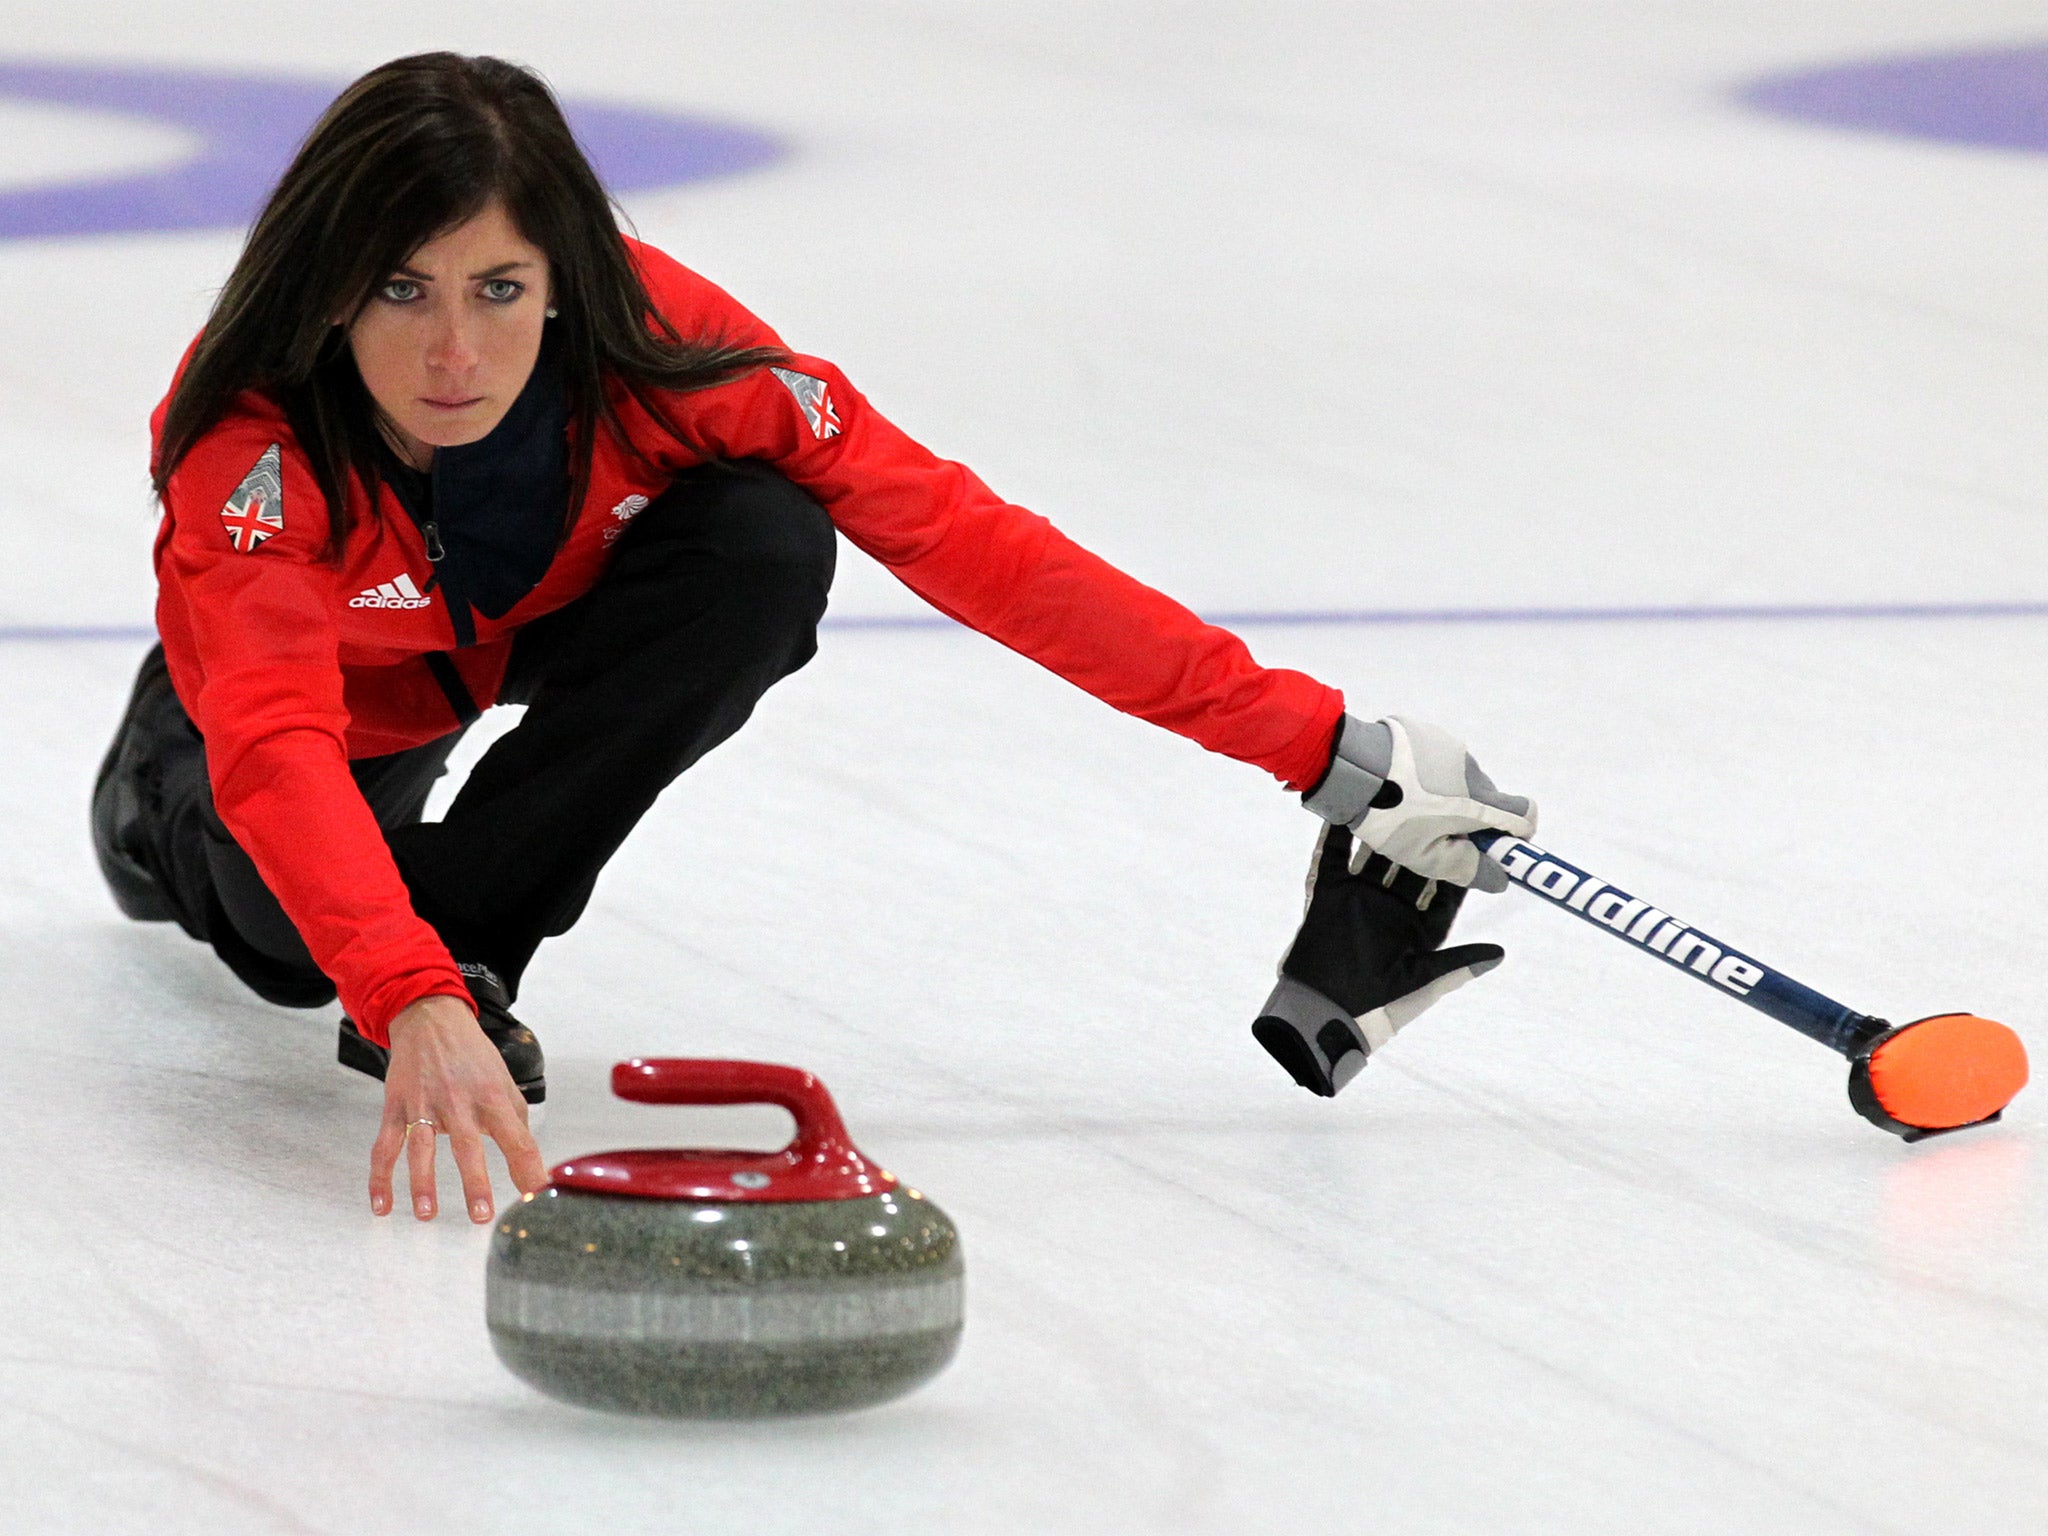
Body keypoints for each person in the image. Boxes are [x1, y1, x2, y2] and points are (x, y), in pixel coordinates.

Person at [90, 53, 1535, 1227]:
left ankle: (471, 943)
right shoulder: (256, 449)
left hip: (545, 622)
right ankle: (157, 801)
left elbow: (981, 550)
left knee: (766, 538)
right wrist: (393, 991)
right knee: (297, 955)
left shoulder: (671, 355)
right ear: (331, 281)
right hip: (330, 694)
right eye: (402, 289)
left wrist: (1317, 744)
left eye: (501, 289)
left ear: (567, 276)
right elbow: (279, 747)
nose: (453, 353)